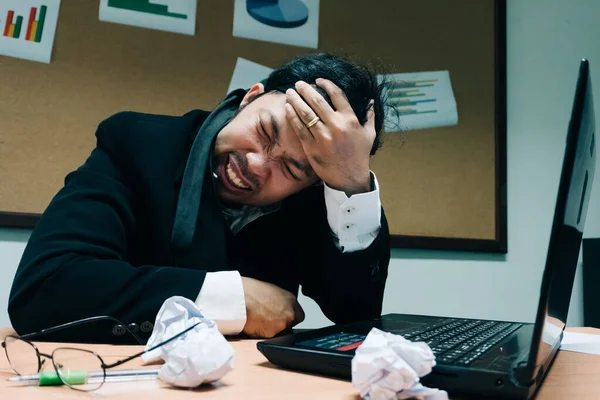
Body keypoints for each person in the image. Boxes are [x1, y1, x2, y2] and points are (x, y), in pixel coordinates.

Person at [8, 53, 391, 343]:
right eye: (264, 130)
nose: (256, 165)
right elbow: (44, 290)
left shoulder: (314, 196)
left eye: (291, 169)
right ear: (250, 98)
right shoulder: (138, 144)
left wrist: (350, 184)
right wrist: (230, 298)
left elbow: (356, 318)